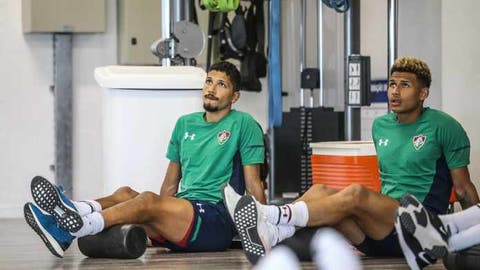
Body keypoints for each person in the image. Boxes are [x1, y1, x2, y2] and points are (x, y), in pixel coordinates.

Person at [224, 56, 480, 269]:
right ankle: (273, 232)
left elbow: (463, 189)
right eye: (392, 84)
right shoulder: (382, 126)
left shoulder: (444, 126)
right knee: (320, 190)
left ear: (423, 93)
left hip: (418, 228)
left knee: (356, 193)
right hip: (379, 232)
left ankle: (269, 215)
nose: (395, 91)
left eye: (404, 85)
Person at [23, 61, 267, 258]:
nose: (211, 89)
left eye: (221, 84)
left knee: (147, 201)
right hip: (184, 211)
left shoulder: (244, 123)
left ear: (234, 96)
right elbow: (170, 184)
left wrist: (265, 230)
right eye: (209, 81)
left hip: (215, 218)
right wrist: (160, 219)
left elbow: (253, 184)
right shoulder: (185, 123)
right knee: (126, 193)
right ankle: (72, 213)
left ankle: (71, 227)